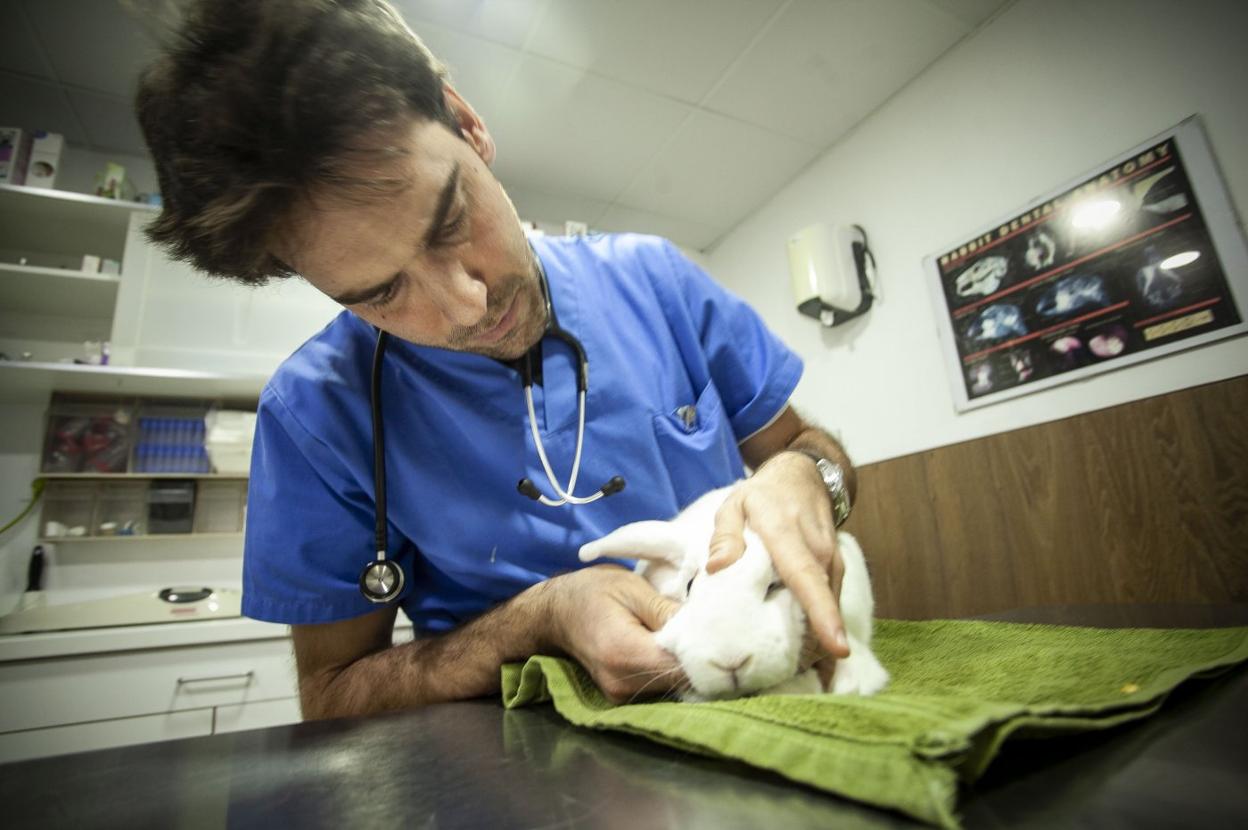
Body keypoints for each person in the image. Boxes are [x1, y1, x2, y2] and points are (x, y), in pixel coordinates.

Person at [136, 0, 859, 719]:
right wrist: (535, 622)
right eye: (381, 293)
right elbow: (329, 694)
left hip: (759, 707)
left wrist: (809, 476)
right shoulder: (314, 417)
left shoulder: (657, 281)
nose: (466, 306)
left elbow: (806, 448)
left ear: (466, 122)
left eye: (451, 220)